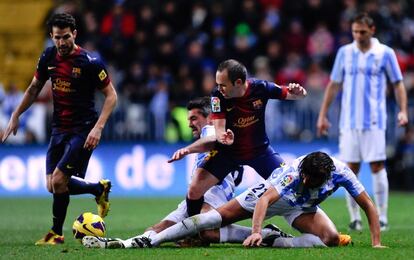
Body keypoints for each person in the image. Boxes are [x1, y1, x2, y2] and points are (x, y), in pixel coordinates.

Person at [83, 152, 370, 249]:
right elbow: (264, 201)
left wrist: (376, 240)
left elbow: (366, 202)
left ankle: (274, 239)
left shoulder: (338, 172)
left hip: (298, 207)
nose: (191, 121)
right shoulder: (292, 174)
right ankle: (144, 241)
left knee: (330, 240)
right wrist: (256, 230)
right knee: (207, 225)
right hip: (262, 197)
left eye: (195, 117)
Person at [1, 13, 117, 245]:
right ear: (51, 37)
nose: (61, 43)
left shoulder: (89, 62)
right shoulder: (48, 56)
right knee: (52, 185)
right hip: (59, 128)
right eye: (57, 38)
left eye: (66, 37)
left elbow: (111, 95)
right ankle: (98, 189)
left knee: (58, 180)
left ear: (74, 34)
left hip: (83, 129)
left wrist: (98, 128)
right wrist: (15, 115)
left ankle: (56, 234)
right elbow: (34, 88)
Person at [173, 59, 307, 218]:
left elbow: (295, 95)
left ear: (238, 82)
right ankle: (192, 231)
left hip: (259, 151)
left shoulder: (261, 88)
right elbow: (219, 128)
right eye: (218, 84)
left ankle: (319, 227)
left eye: (223, 84)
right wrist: (223, 137)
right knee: (194, 189)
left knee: (293, 186)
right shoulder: (217, 96)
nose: (219, 88)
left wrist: (299, 91)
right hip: (227, 152)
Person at [317, 12, 408, 232]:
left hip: (375, 121)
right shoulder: (345, 53)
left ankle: (383, 216)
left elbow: (398, 83)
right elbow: (334, 84)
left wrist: (403, 110)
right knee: (350, 170)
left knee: (377, 166)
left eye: (362, 32)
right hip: (348, 122)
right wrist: (323, 114)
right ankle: (355, 218)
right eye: (355, 31)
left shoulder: (385, 53)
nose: (358, 35)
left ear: (372, 30)